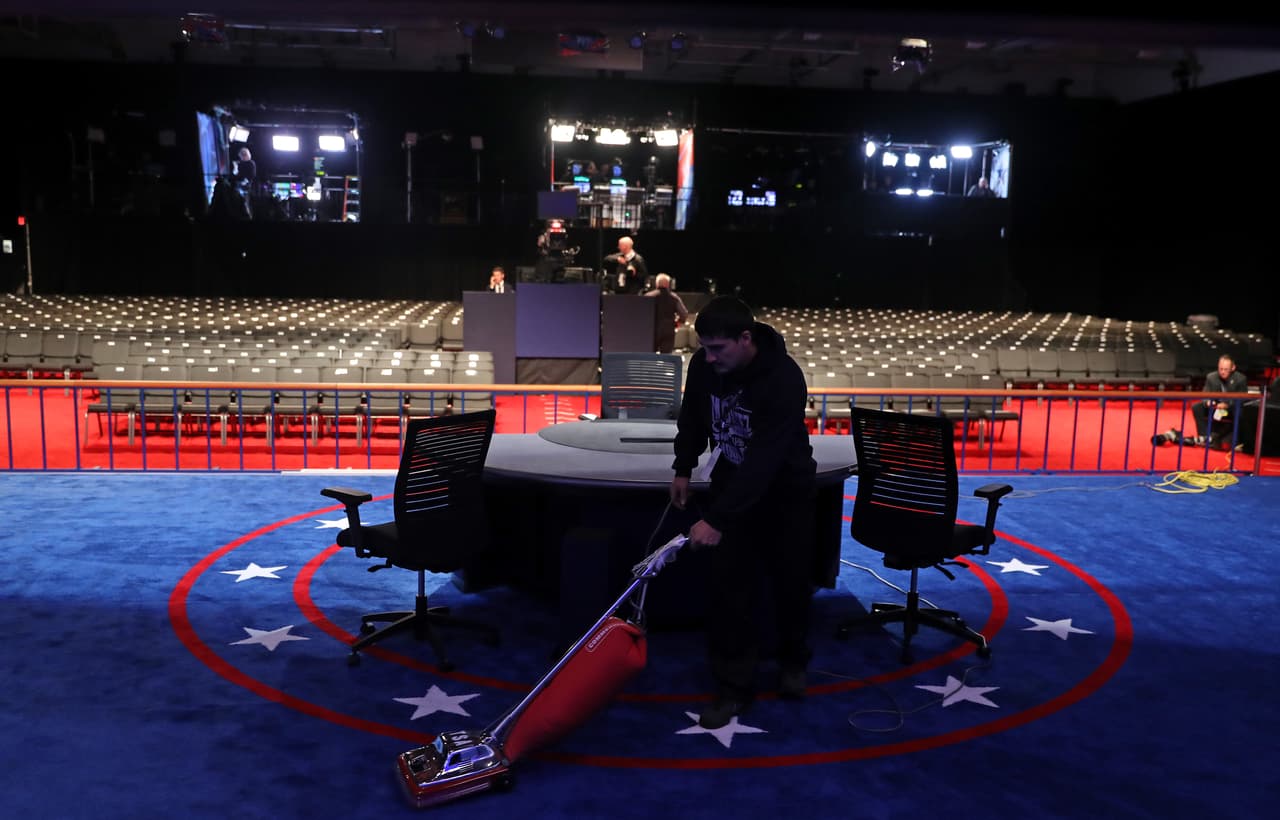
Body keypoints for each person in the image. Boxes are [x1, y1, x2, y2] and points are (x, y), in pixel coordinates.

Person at [669, 296, 817, 730]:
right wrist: (683, 465)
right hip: (732, 485)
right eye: (705, 348)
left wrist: (717, 519)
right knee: (730, 589)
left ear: (746, 339)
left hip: (784, 491)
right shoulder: (705, 365)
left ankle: (793, 662)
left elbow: (765, 460)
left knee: (791, 583)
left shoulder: (784, 379)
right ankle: (733, 687)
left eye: (719, 349)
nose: (709, 357)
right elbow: (693, 416)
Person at [1190, 354, 1250, 448]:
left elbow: (1242, 399)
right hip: (1215, 407)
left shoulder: (1241, 379)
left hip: (1231, 408)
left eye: (1225, 369)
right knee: (1197, 407)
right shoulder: (1211, 377)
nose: (1222, 372)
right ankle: (1205, 438)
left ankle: (1235, 441)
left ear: (1233, 368)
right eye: (1220, 369)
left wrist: (1227, 405)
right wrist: (1208, 402)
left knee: (1240, 411)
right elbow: (1205, 394)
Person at [643, 272, 688, 353]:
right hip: (668, 330)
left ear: (657, 284)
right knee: (666, 357)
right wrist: (677, 322)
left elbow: (640, 315)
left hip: (651, 331)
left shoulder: (648, 297)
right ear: (668, 285)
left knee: (650, 357)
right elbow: (684, 314)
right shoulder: (674, 298)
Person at [232, 147, 257, 218]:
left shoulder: (251, 163)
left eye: (241, 156)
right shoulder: (240, 164)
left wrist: (245, 180)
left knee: (246, 203)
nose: (240, 158)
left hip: (246, 187)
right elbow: (236, 175)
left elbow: (252, 175)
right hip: (240, 186)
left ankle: (248, 216)